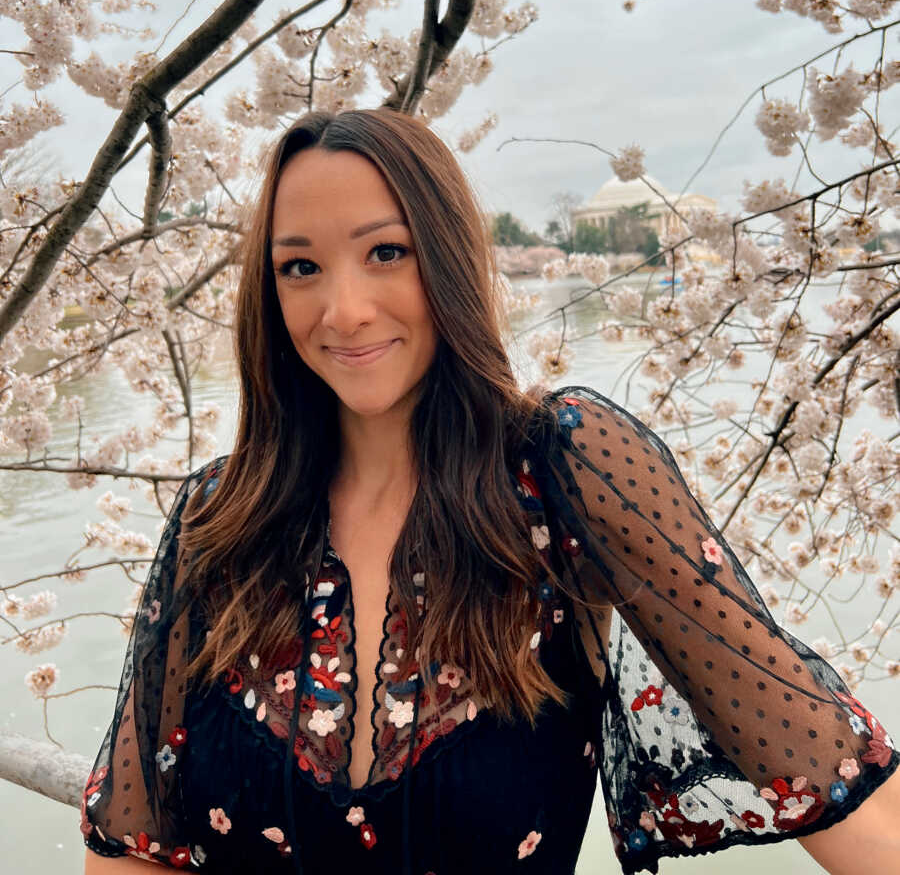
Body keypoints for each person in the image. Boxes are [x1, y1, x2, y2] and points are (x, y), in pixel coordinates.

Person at [82, 107, 900, 875]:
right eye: (300, 267)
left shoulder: (561, 472)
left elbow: (822, 767)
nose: (345, 310)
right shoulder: (216, 521)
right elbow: (135, 843)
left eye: (386, 252)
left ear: (448, 258)